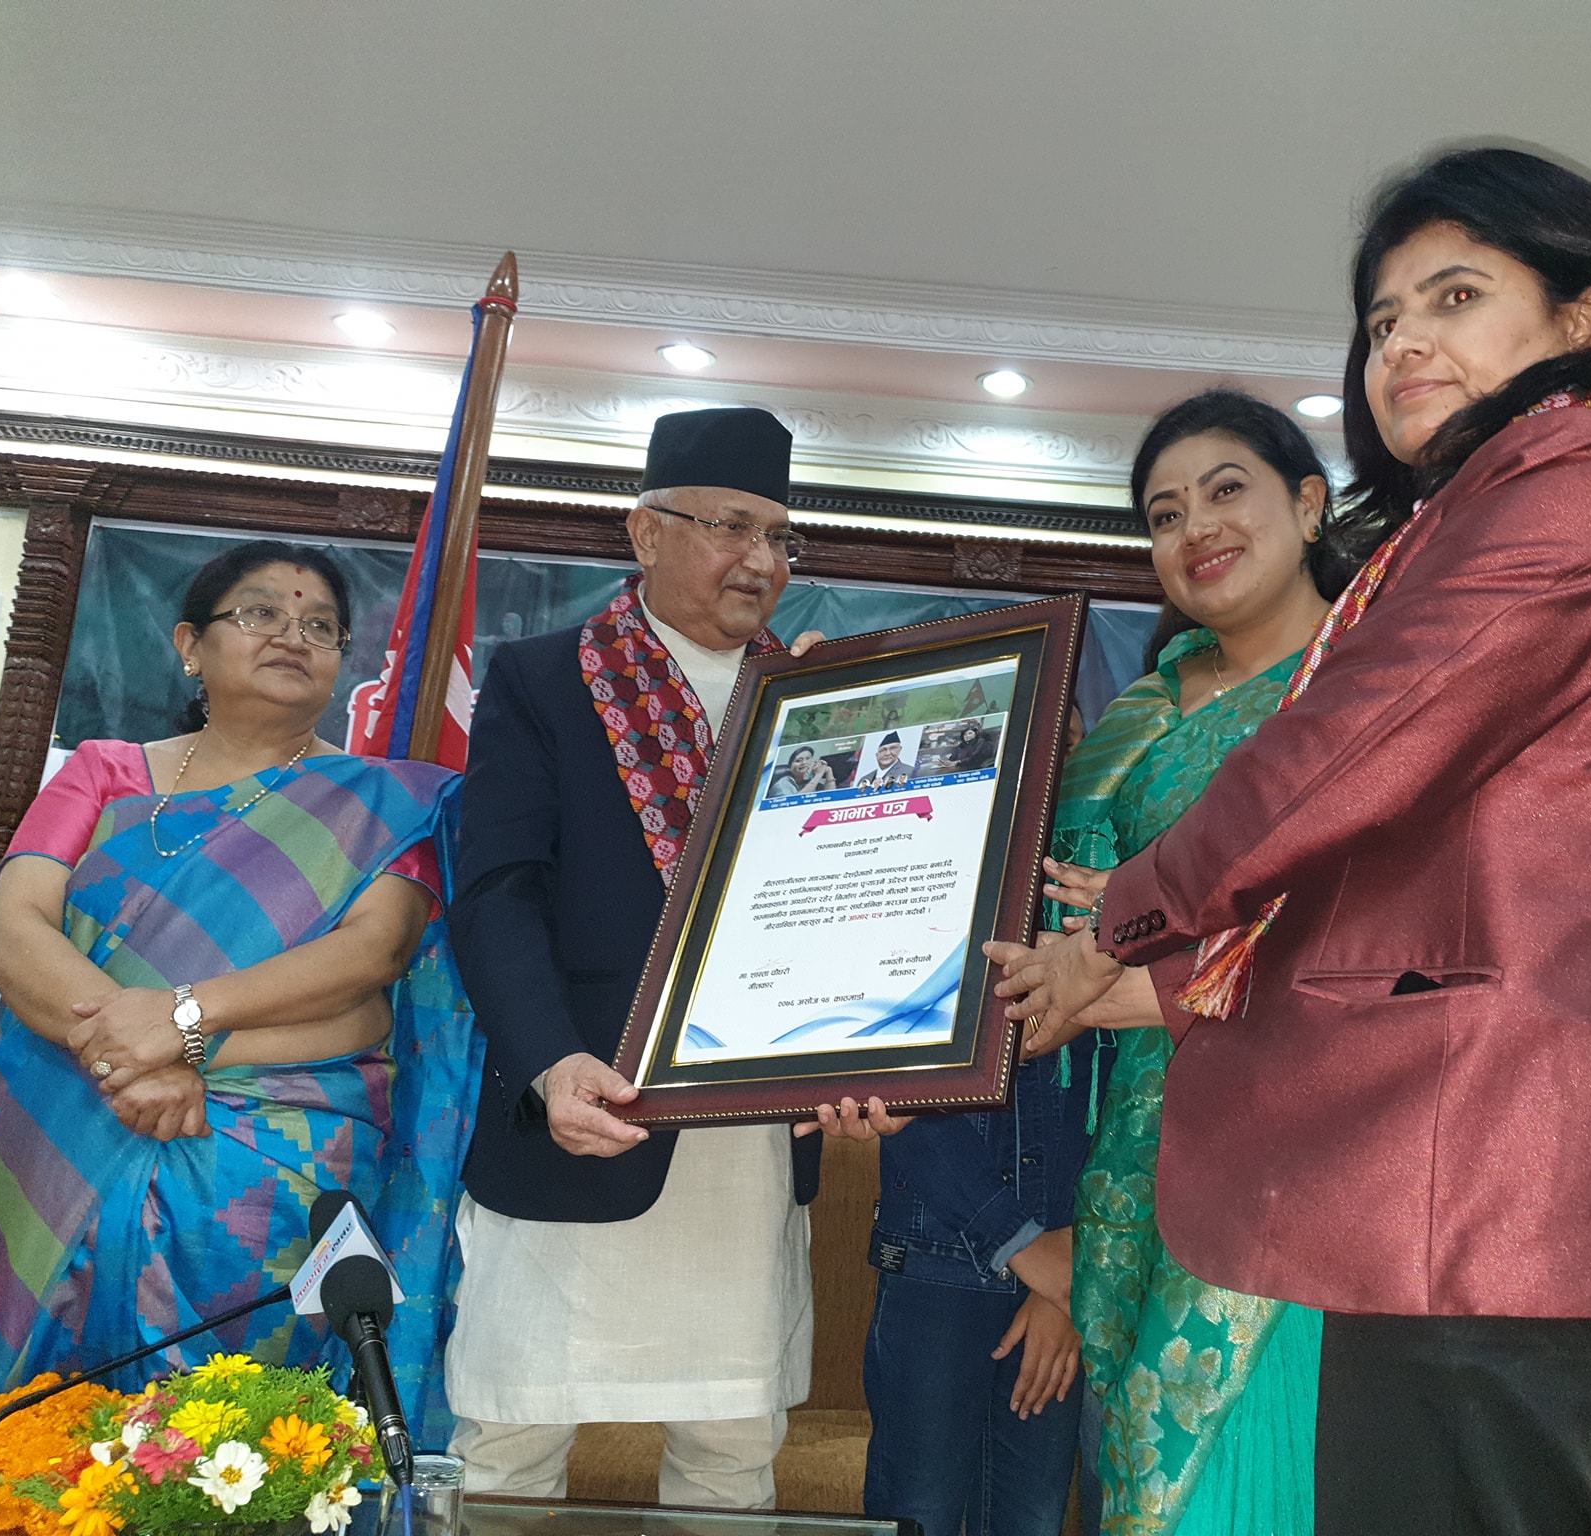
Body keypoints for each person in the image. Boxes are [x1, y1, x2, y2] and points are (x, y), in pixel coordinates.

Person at [994, 146, 1591, 1535]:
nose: (1401, 343)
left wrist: (1120, 919)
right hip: (1434, 1199)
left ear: (1584, 316)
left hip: (1507, 1192)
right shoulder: (1471, 518)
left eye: (1454, 297)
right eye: (1380, 320)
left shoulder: (1587, 473)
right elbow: (1378, 889)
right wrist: (1147, 983)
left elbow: (1345, 755)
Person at [0, 540, 475, 1446]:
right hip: (66, 1127)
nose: (293, 635)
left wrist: (183, 1026)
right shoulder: (104, 771)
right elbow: (13, 930)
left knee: (230, 1450)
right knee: (38, 1445)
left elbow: (373, 960)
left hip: (268, 1164)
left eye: (321, 627)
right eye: (260, 613)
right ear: (189, 645)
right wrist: (139, 1061)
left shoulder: (384, 805)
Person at [442, 407, 832, 1505]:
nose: (760, 560)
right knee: (510, 1444)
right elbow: (498, 894)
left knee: (731, 1452)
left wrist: (873, 1057)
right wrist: (548, 1060)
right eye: (729, 526)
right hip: (585, 1108)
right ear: (645, 531)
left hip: (748, 1135)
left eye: (778, 535)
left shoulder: (814, 696)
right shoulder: (544, 679)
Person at [1002, 390, 1342, 1536]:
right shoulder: (1134, 718)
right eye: (1162, 513)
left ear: (1308, 503)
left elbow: (1372, 934)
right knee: (1139, 1484)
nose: (1193, 526)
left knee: (1243, 1485)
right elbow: (1036, 937)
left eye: (1224, 490)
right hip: (1133, 1157)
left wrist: (1128, 993)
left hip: (1305, 1150)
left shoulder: (1369, 693)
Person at [860, 1028, 1106, 1536]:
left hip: (1061, 1262)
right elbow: (896, 1063)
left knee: (1031, 1520)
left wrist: (1069, 1269)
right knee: (919, 1516)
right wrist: (1027, 1247)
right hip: (938, 1259)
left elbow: (1118, 1076)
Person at [768, 744, 838, 797]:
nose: (804, 762)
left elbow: (831, 796)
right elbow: (796, 802)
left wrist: (829, 771)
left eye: (808, 759)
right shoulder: (781, 786)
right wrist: (818, 775)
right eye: (798, 761)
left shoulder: (811, 779)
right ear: (790, 767)